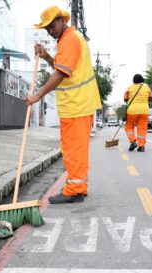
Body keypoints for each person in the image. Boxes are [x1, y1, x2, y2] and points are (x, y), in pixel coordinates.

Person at [26, 6, 101, 204]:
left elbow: (59, 74)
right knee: (78, 150)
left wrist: (37, 96)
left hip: (76, 105)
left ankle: (74, 190)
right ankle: (79, 187)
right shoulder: (69, 39)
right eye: (47, 29)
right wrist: (46, 56)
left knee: (72, 150)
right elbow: (61, 67)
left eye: (52, 26)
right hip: (79, 104)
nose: (51, 31)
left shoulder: (69, 40)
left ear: (62, 20)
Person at [123, 74, 152, 152]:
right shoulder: (147, 88)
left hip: (132, 111)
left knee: (129, 127)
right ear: (142, 80)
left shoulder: (130, 88)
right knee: (142, 129)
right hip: (144, 111)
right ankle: (141, 146)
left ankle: (133, 141)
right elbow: (150, 98)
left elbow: (125, 99)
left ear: (133, 80)